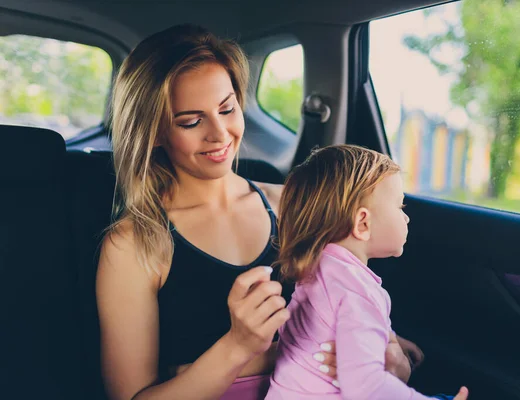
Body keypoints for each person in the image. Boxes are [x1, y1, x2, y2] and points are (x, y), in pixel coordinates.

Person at [95, 25, 419, 400]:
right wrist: (238, 346)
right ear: (154, 131)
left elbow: (361, 313)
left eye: (227, 108)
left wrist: (394, 364)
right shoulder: (134, 244)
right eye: (191, 121)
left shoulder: (290, 205)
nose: (220, 133)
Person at [265, 145, 469, 400]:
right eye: (400, 207)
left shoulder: (317, 270)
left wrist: (389, 337)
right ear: (363, 223)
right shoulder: (358, 290)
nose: (406, 218)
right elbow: (366, 388)